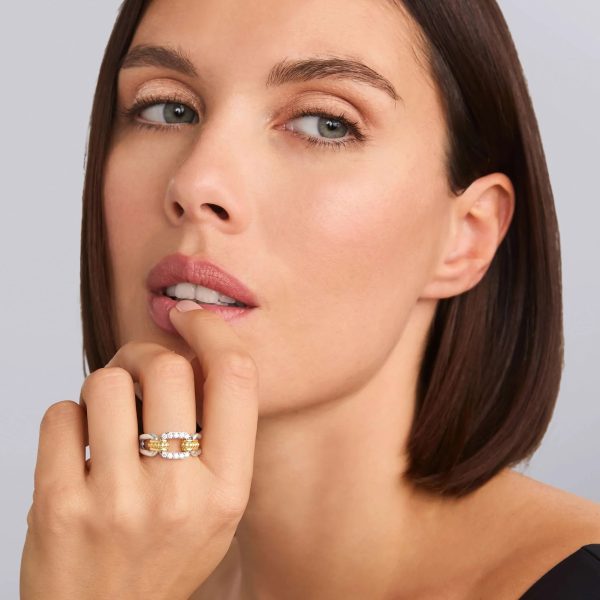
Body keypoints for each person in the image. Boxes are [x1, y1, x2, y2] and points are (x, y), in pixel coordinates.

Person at [20, 0, 600, 598]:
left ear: (466, 236)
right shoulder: (112, 571)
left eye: (325, 123)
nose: (195, 183)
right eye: (167, 108)